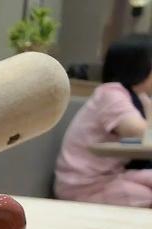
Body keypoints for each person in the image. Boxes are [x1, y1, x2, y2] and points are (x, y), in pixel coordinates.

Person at [55, 34, 152, 207]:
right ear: (140, 66)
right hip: (83, 184)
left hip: (111, 176)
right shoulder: (111, 93)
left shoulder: (138, 96)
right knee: (145, 195)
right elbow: (139, 132)